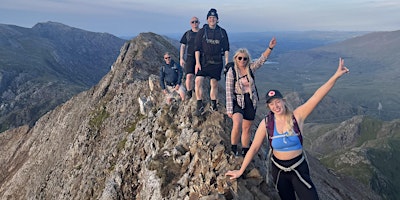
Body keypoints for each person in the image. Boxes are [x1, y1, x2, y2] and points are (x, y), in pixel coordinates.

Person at [225, 58, 349, 200]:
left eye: (278, 102)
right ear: (268, 107)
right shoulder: (266, 123)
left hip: (298, 169)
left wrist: (336, 76)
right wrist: (240, 171)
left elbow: (317, 96)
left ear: (283, 101)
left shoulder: (298, 116)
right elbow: (253, 148)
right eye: (271, 104)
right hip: (278, 172)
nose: (275, 106)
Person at [226, 37, 277, 156]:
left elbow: (261, 60)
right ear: (235, 59)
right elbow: (228, 91)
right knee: (237, 124)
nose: (242, 60)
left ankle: (245, 150)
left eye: (245, 58)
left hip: (250, 101)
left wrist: (270, 48)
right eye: (240, 58)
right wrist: (229, 109)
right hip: (237, 101)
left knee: (247, 128)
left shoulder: (250, 69)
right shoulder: (232, 72)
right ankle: (233, 148)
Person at [193, 8, 230, 116]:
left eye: (214, 18)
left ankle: (213, 104)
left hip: (217, 62)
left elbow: (226, 48)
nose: (212, 19)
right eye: (210, 18)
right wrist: (197, 63)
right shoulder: (202, 32)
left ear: (217, 20)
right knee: (198, 81)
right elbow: (197, 48)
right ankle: (199, 104)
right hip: (204, 61)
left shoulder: (222, 32)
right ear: (207, 19)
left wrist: (227, 63)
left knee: (214, 83)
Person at [180, 16, 200, 100]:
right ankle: (189, 92)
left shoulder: (202, 33)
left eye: (196, 21)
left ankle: (198, 93)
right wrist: (181, 58)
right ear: (190, 24)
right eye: (193, 22)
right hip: (190, 57)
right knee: (189, 76)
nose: (194, 23)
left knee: (199, 77)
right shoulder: (187, 34)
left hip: (201, 58)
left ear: (199, 23)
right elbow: (183, 46)